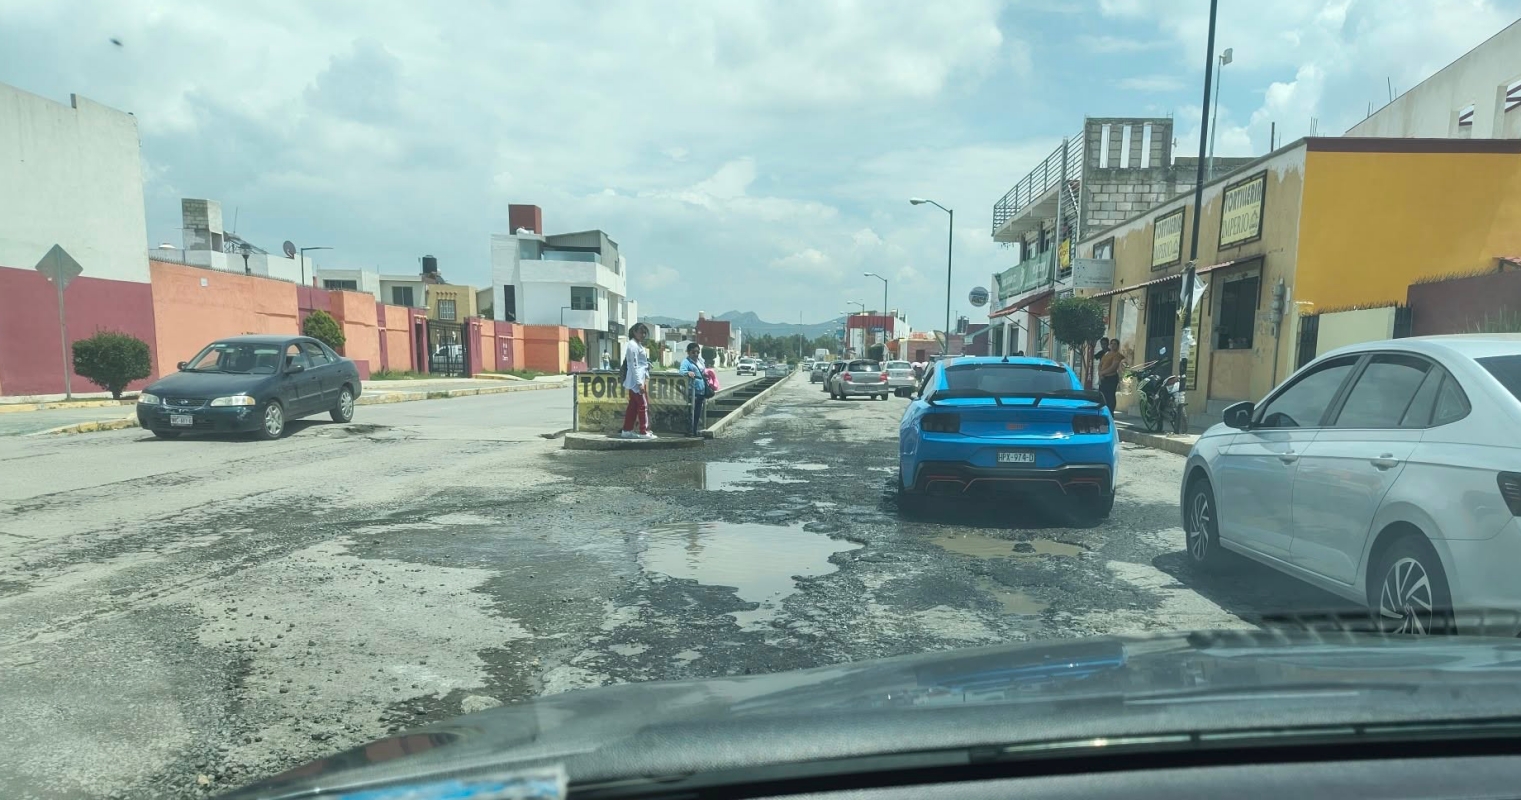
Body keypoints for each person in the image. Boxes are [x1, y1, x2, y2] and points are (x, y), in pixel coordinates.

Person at [620, 323, 655, 439]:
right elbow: (633, 365)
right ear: (634, 332)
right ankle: (644, 431)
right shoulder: (633, 346)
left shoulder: (637, 345)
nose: (643, 335)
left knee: (633, 406)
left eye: (645, 333)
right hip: (636, 381)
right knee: (643, 405)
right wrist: (639, 383)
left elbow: (640, 363)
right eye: (641, 332)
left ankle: (627, 430)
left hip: (638, 379)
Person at [679, 342, 708, 438]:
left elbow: (703, 370)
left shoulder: (700, 361)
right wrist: (688, 373)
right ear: (688, 352)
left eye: (697, 352)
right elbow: (681, 371)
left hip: (701, 390)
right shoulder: (686, 362)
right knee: (691, 411)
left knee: (698, 412)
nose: (695, 354)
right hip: (692, 390)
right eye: (693, 352)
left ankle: (695, 429)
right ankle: (690, 430)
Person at [1098, 338, 1126, 413]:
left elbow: (1113, 367)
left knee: (1110, 397)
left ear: (1118, 346)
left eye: (1115, 344)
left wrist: (1102, 373)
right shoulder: (1106, 354)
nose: (1113, 345)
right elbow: (1100, 365)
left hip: (1111, 378)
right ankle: (1103, 412)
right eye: (1111, 344)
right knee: (1103, 396)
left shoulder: (1117, 355)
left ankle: (1110, 413)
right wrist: (1100, 375)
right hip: (1103, 379)